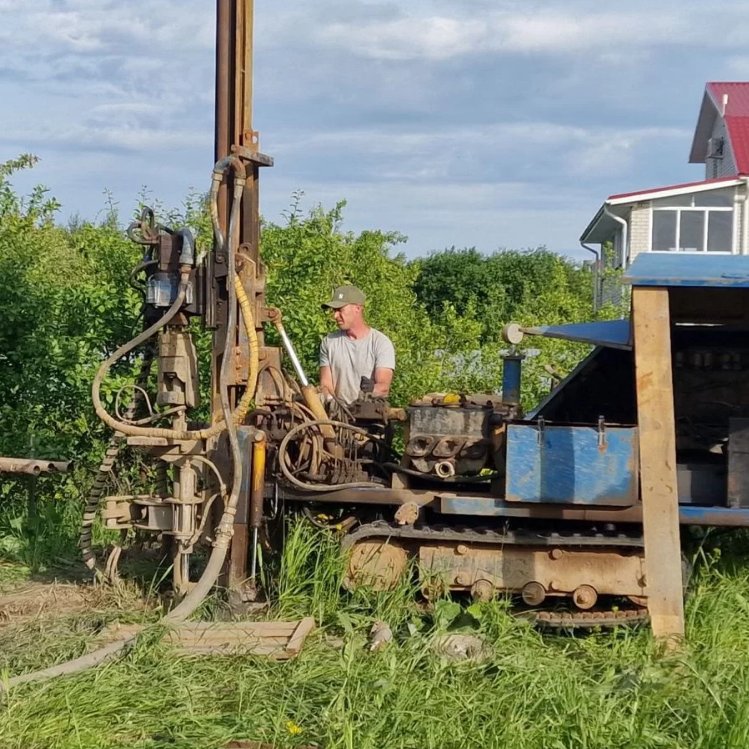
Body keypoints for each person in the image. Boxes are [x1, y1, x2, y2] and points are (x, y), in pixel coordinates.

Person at [319, 285, 395, 404]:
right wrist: (331, 402)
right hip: (337, 418)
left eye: (340, 310)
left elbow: (383, 387)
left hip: (370, 418)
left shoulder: (381, 343)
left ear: (357, 308)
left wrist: (369, 391)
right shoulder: (329, 342)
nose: (335, 316)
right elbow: (326, 385)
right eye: (334, 311)